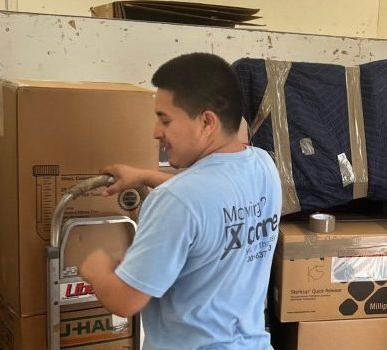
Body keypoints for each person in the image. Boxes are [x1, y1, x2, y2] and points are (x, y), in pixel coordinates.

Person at [79, 52, 282, 350]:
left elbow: (124, 301)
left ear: (206, 122)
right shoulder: (263, 165)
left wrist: (96, 267)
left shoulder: (176, 202)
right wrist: (147, 176)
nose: (155, 132)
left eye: (165, 120)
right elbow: (211, 203)